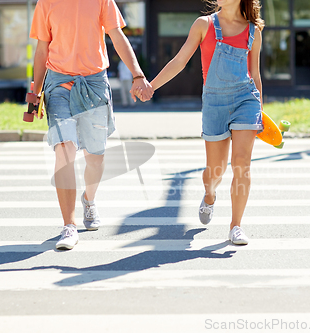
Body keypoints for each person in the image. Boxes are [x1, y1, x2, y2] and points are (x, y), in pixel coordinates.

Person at [30, 0, 153, 250]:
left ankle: (89, 199)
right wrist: (35, 92)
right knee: (64, 150)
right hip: (59, 83)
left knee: (95, 158)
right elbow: (42, 49)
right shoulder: (46, 3)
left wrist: (138, 74)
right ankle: (69, 225)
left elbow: (117, 37)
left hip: (94, 84)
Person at [146, 0, 264, 245]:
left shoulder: (254, 31)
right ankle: (210, 196)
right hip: (214, 103)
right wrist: (151, 86)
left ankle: (236, 226)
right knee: (215, 171)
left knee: (241, 164)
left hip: (246, 100)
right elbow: (179, 61)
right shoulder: (204, 24)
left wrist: (259, 112)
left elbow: (255, 73)